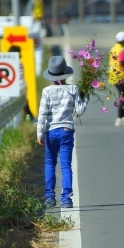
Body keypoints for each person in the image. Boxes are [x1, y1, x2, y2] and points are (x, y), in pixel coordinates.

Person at [36, 56, 88, 208]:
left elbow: (42, 114)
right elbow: (79, 111)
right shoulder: (73, 89)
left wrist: (39, 134)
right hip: (66, 130)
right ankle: (66, 198)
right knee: (66, 166)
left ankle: (49, 197)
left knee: (50, 163)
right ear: (65, 73)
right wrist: (85, 98)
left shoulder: (47, 91)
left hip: (51, 131)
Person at [109, 31, 124, 126]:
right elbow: (123, 63)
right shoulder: (121, 50)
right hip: (121, 76)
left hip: (113, 76)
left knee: (123, 96)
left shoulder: (113, 48)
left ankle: (122, 117)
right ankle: (121, 117)